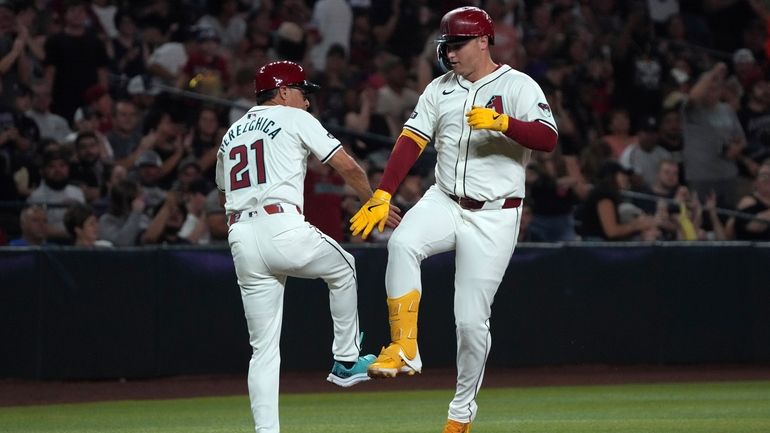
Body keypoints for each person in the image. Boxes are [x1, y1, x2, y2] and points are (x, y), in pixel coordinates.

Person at [348, 8, 558, 433]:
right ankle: (405, 347)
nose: (449, 53)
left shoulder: (518, 85)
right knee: (402, 242)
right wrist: (384, 192)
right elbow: (411, 140)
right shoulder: (440, 88)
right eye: (446, 46)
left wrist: (505, 123)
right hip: (444, 200)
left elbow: (548, 138)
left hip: (496, 215)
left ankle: (461, 414)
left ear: (483, 41)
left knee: (469, 323)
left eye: (457, 44)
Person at [215, 61, 399, 433]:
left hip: (241, 235)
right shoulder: (293, 117)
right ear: (283, 92)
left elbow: (223, 187)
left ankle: (266, 431)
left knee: (263, 350)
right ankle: (346, 360)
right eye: (302, 92)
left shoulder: (232, 132)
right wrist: (374, 200)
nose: (308, 102)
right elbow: (347, 167)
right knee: (345, 266)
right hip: (281, 225)